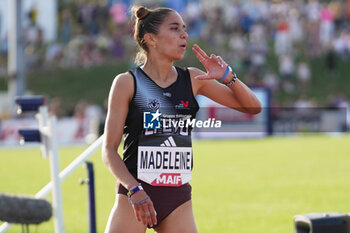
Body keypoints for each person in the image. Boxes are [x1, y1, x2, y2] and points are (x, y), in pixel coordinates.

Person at [102, 5, 261, 233]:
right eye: (175, 29)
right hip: (137, 192)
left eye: (184, 29)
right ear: (151, 39)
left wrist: (228, 77)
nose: (184, 35)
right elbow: (108, 150)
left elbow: (253, 107)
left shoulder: (195, 78)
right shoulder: (127, 83)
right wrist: (134, 190)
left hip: (177, 198)